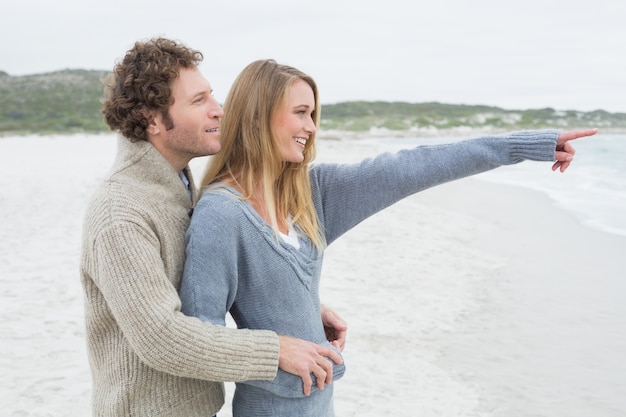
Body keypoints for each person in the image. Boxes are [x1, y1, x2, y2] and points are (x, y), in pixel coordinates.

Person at [178, 58, 598, 416]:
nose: (311, 127)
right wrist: (277, 349)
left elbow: (414, 167)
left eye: (312, 115)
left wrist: (524, 146)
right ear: (259, 116)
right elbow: (199, 338)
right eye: (301, 112)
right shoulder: (221, 214)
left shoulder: (311, 193)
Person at [80, 39, 347, 417]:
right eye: (198, 101)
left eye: (213, 97)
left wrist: (295, 304)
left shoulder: (179, 185)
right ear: (152, 119)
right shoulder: (119, 212)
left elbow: (201, 281)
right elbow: (162, 338)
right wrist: (276, 349)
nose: (219, 111)